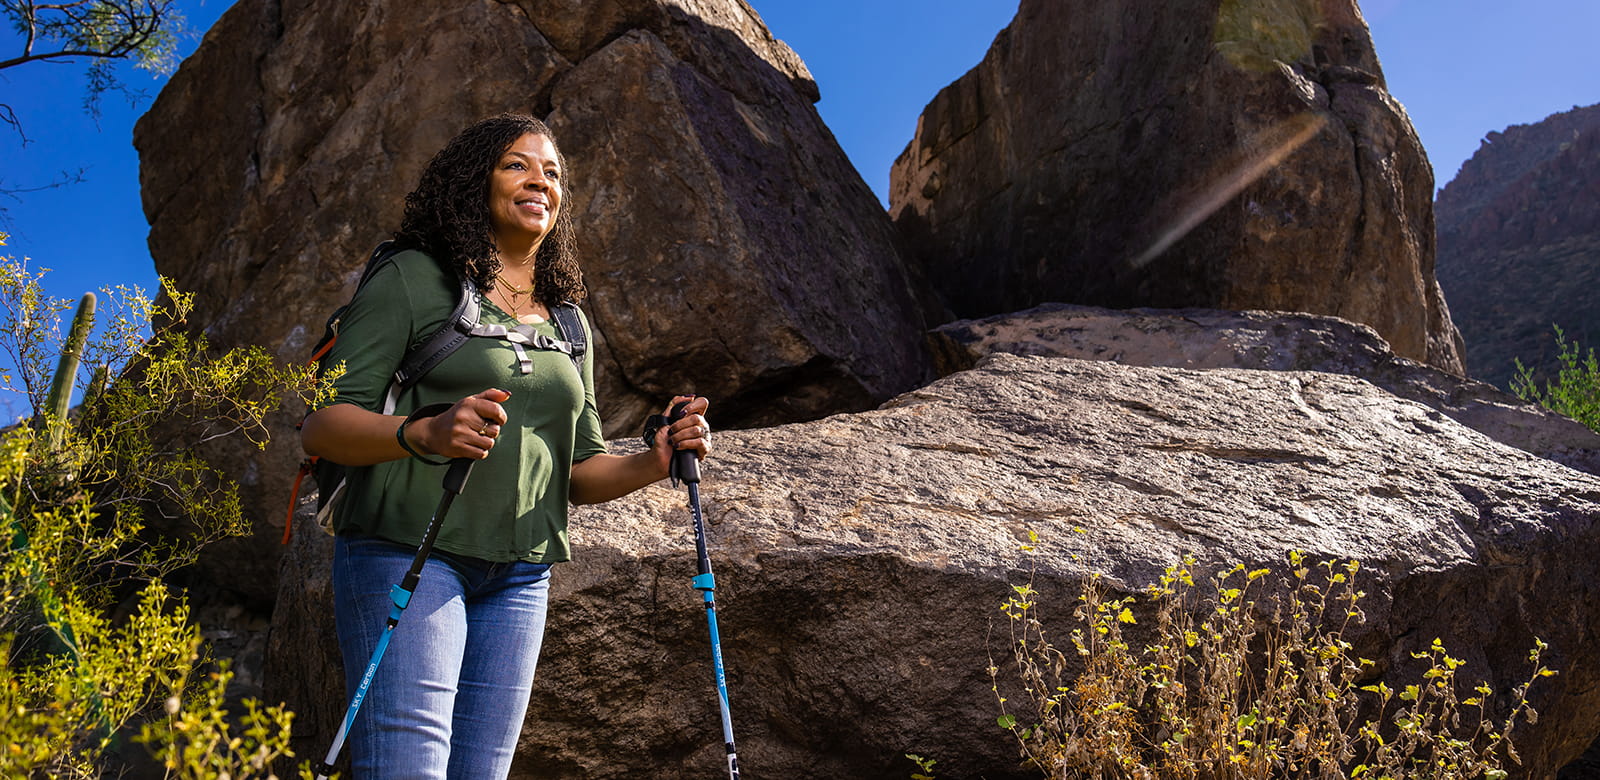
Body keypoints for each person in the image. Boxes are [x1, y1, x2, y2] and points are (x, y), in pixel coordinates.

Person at [300, 112, 711, 779]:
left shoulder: (570, 321)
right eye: (517, 164)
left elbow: (577, 469)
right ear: (476, 181)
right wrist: (424, 432)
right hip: (407, 552)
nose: (538, 182)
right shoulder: (413, 278)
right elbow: (323, 424)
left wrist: (656, 458)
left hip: (520, 577)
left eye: (552, 173)